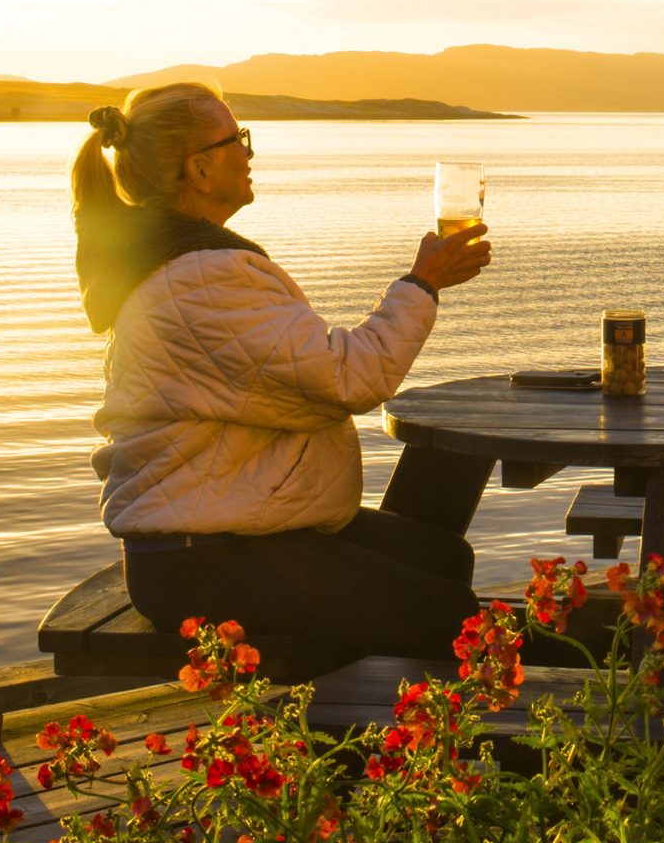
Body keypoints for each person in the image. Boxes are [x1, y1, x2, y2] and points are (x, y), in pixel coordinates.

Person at [74, 82, 493, 661]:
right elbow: (351, 379)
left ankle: (361, 718)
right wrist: (422, 285)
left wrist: (426, 285)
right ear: (198, 168)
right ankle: (366, 744)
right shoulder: (201, 277)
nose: (249, 154)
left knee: (441, 556)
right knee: (452, 618)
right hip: (201, 559)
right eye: (237, 140)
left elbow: (298, 383)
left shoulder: (181, 264)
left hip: (226, 529)